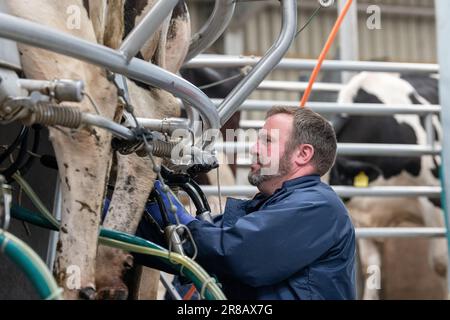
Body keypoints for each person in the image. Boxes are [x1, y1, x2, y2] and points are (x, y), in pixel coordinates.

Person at [136, 106, 356, 300]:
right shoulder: (267, 206)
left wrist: (176, 219)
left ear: (303, 154)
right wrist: (129, 212)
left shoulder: (317, 207)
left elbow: (236, 254)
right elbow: (188, 252)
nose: (253, 149)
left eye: (267, 141)